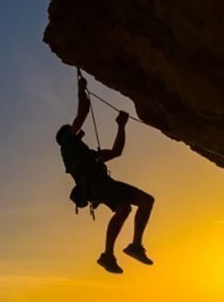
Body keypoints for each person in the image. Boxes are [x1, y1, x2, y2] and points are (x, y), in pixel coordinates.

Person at [56, 75, 155, 274]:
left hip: (100, 186)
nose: (77, 130)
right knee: (131, 206)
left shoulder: (87, 155)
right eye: (73, 129)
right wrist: (80, 90)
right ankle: (114, 253)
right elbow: (83, 112)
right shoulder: (67, 141)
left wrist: (121, 125)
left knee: (140, 203)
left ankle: (120, 251)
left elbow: (117, 151)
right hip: (98, 186)